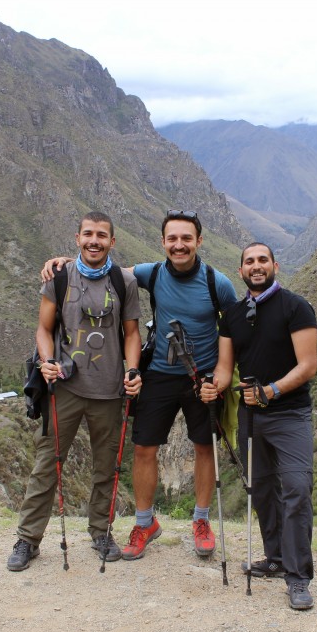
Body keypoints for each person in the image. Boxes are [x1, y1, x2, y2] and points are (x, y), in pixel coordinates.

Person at [43, 210, 236, 560]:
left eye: (186, 239)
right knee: (145, 448)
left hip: (203, 376)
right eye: (172, 239)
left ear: (199, 242)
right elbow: (106, 271)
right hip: (159, 372)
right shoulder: (153, 272)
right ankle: (145, 523)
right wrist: (66, 264)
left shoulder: (216, 282)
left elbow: (233, 330)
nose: (179, 245)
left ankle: (201, 520)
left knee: (203, 448)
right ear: (163, 242)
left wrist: (222, 376)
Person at [8, 211, 142, 572]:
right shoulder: (60, 277)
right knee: (47, 464)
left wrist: (133, 370)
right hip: (64, 388)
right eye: (88, 234)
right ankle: (28, 539)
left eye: (101, 235)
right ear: (77, 238)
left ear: (112, 241)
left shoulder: (123, 281)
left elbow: (131, 334)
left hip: (111, 390)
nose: (94, 241)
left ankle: (101, 531)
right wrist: (47, 361)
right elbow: (43, 328)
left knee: (107, 468)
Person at [200, 242, 317, 610]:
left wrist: (270, 391)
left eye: (262, 260)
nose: (256, 266)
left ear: (275, 265)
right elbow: (224, 367)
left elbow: (307, 366)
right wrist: (212, 386)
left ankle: (298, 578)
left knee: (297, 488)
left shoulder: (296, 308)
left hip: (290, 414)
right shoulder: (232, 316)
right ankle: (276, 558)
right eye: (249, 261)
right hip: (251, 416)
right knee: (262, 488)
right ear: (240, 271)